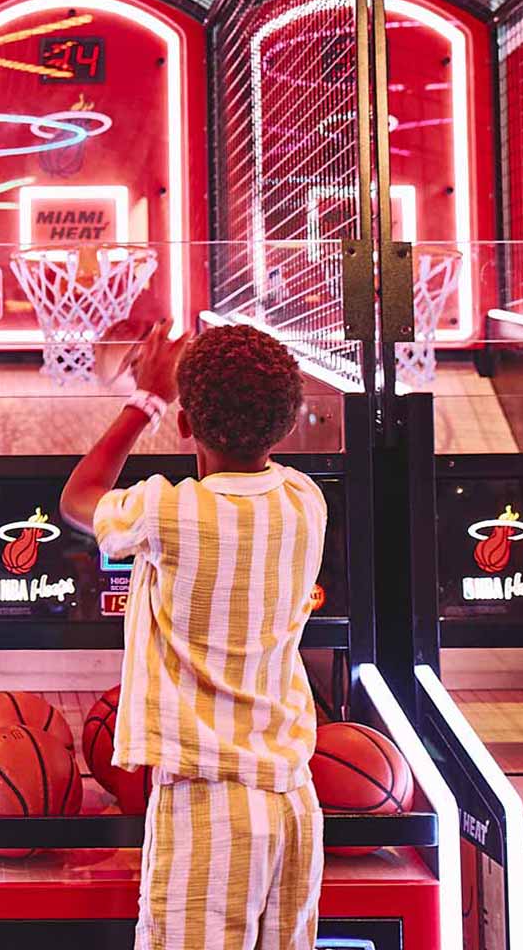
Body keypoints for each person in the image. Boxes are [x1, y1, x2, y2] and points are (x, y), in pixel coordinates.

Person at [61, 322, 325, 950]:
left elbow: (78, 498)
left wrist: (145, 397)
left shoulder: (169, 510)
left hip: (208, 807)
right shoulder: (304, 499)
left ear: (185, 426)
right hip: (294, 802)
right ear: (287, 428)